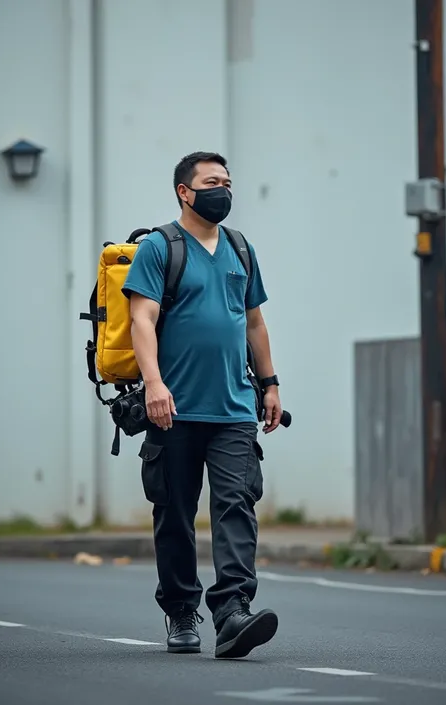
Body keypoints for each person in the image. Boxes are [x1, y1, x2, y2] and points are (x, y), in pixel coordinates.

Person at [122, 151, 282, 659]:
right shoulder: (159, 248)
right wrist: (153, 384)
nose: (224, 190)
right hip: (172, 407)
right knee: (174, 514)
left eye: (229, 182)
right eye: (212, 182)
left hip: (234, 407)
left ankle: (233, 611)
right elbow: (141, 320)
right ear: (184, 192)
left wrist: (272, 383)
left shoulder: (240, 248)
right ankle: (180, 610)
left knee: (237, 505)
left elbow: (253, 322)